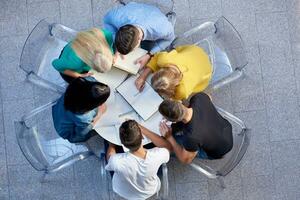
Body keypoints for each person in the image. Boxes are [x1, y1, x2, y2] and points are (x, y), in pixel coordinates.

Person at [158, 92, 233, 164]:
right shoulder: (199, 97)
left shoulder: (191, 137)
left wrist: (169, 137)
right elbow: (208, 97)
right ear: (179, 102)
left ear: (173, 121)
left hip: (219, 150)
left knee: (167, 144)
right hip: (226, 130)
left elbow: (185, 160)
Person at [105, 120, 172, 200]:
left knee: (106, 143)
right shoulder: (157, 154)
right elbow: (168, 147)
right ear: (142, 137)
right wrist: (142, 129)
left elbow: (109, 156)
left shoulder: (116, 161)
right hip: (149, 190)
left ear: (122, 143)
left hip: (124, 192)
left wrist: (111, 145)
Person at [103, 2, 175, 68]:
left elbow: (170, 39)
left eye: (133, 50)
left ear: (139, 39)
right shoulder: (117, 17)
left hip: (155, 16)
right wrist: (117, 45)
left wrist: (149, 54)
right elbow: (107, 20)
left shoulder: (162, 29)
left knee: (147, 50)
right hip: (133, 10)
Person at [135, 45, 212, 100]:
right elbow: (156, 59)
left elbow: (174, 100)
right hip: (194, 51)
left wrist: (170, 99)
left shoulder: (182, 90)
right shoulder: (164, 60)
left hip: (205, 71)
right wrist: (142, 77)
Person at [52, 77, 110, 143]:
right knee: (86, 132)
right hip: (66, 131)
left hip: (59, 110)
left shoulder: (78, 85)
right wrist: (99, 115)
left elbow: (93, 83)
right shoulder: (84, 118)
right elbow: (82, 132)